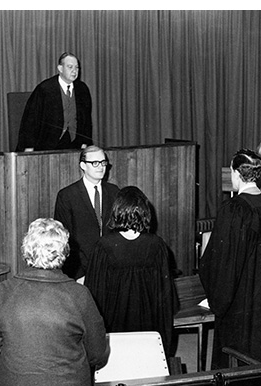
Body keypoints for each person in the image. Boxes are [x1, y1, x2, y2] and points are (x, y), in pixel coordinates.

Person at [0, 218, 109, 386]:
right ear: (64, 252)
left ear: (27, 250)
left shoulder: (5, 292)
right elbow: (97, 354)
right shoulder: (80, 295)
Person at [199, 149, 261, 368]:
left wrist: (215, 299)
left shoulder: (234, 209)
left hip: (242, 311)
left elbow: (220, 263)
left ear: (236, 173)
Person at [84, 186, 179, 356]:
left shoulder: (103, 246)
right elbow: (165, 295)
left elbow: (94, 293)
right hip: (148, 324)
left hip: (113, 326)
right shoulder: (157, 245)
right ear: (145, 211)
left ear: (117, 210)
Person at [54, 145, 120, 280]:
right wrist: (78, 275)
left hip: (112, 269)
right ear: (83, 165)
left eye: (103, 162)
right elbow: (63, 240)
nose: (101, 167)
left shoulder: (114, 192)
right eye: (95, 163)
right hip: (80, 273)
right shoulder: (67, 196)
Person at [16, 52, 93, 151]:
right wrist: (29, 147)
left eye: (77, 67)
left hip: (74, 144)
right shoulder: (45, 89)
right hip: (47, 146)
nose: (74, 71)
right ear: (60, 69)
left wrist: (85, 143)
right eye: (70, 67)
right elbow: (31, 120)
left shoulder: (82, 89)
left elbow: (86, 121)